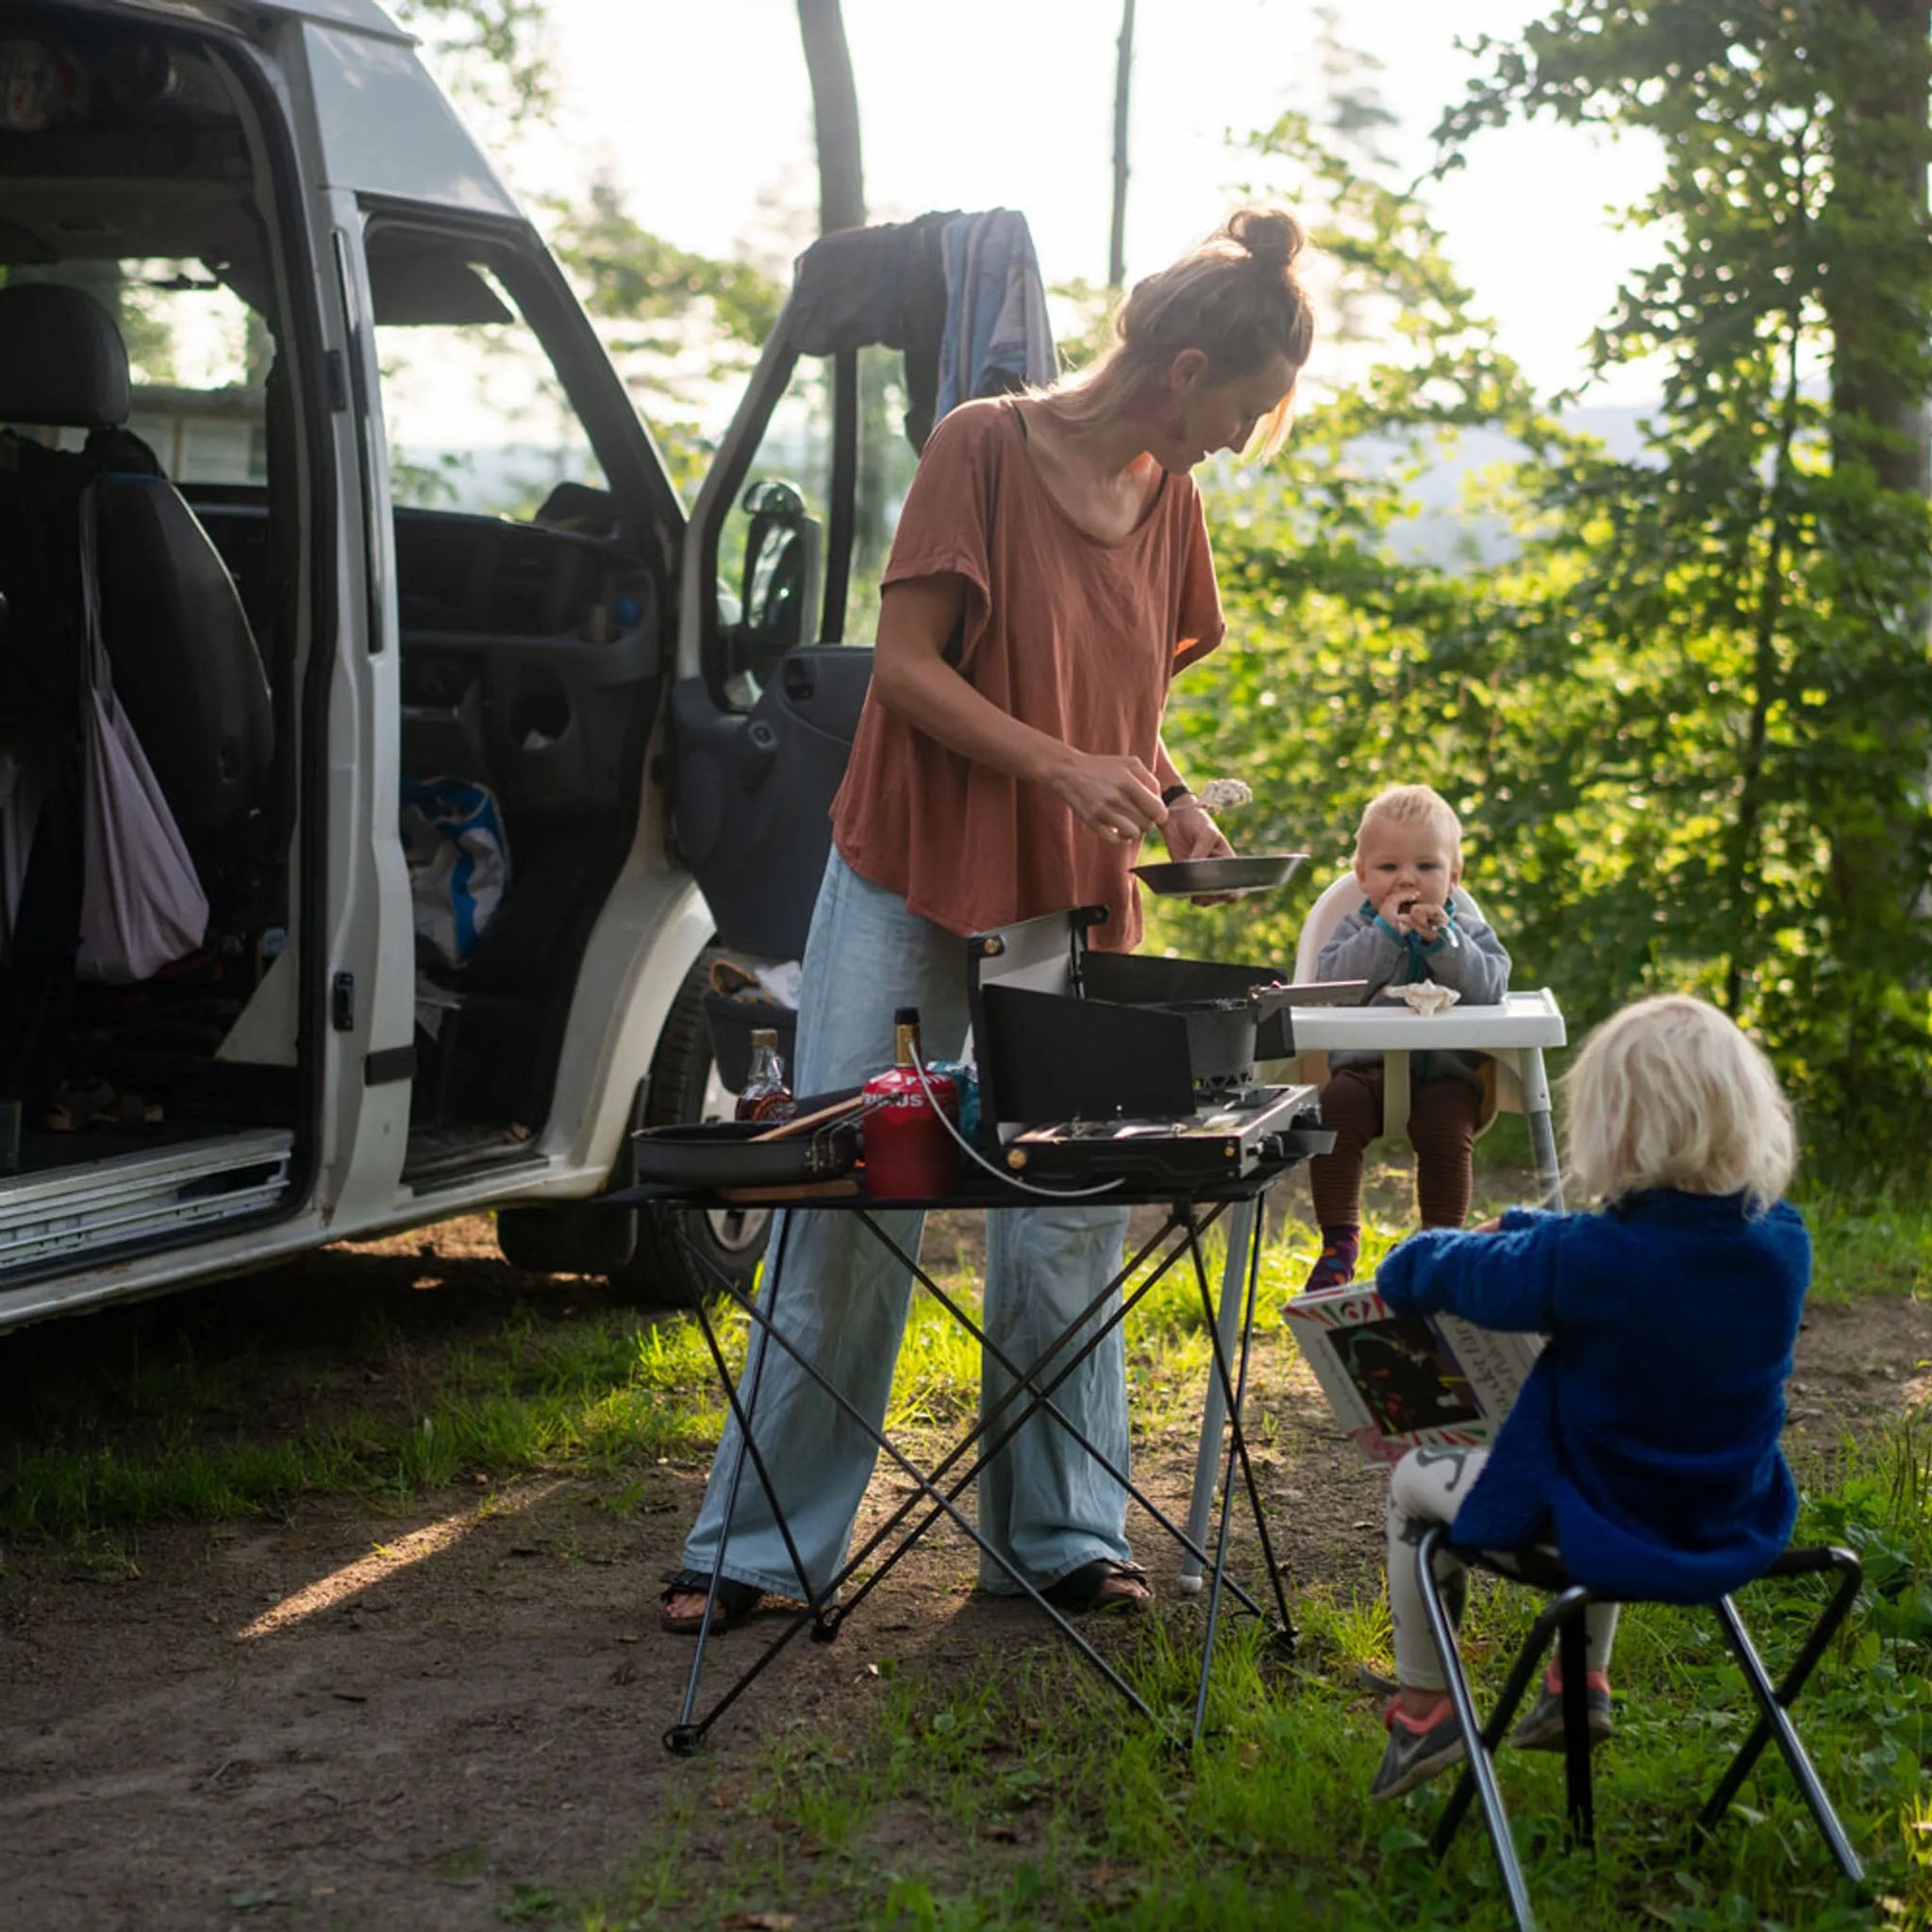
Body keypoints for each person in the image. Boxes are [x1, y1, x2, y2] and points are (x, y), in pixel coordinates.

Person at [660, 208, 1317, 1635]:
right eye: (1243, 411)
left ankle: (1059, 1532)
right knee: (851, 1185)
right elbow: (905, 669)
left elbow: (1114, 702)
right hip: (912, 862)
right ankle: (758, 1548)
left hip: (1064, 886)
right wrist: (1067, 768)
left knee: (1068, 1203)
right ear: (1185, 369)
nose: (1237, 442)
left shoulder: (1169, 499)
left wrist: (1169, 797)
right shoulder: (984, 447)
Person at [1363, 994, 1807, 1799]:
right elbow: (1603, 1247)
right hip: (1722, 1514)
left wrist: (1416, 1251)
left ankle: (1427, 1706)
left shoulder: (1587, 1261)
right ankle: (1580, 1683)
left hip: (1594, 1524)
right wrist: (1524, 1225)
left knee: (1410, 1482)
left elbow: (1430, 1274)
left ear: (1614, 1129)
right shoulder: (1782, 1243)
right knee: (1608, 1454)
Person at [1302, 785, 1510, 1292]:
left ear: (1454, 877)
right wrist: (1384, 935)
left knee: (1447, 1132)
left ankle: (1438, 1243)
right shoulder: (1355, 930)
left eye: (1426, 866)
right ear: (1362, 877)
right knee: (1335, 1111)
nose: (1407, 879)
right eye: (1389, 867)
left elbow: (1491, 988)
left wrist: (1446, 944)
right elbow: (1332, 985)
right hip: (1363, 1070)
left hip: (1444, 1074)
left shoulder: (1468, 933)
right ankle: (1338, 1241)